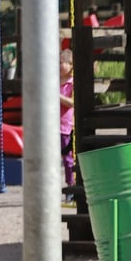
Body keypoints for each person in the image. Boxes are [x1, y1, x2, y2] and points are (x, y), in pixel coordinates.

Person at [59, 49, 75, 188]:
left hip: (65, 126)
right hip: (52, 126)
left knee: (68, 158)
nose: (58, 66)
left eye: (61, 63)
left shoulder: (72, 83)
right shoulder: (54, 81)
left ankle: (70, 185)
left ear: (70, 65)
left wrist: (57, 96)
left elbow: (72, 102)